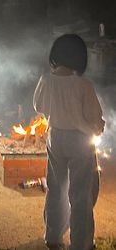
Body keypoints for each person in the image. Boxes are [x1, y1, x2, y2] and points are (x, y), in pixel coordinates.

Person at [34, 34, 105, 250]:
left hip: (56, 137)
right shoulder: (83, 84)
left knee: (56, 188)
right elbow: (95, 118)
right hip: (80, 142)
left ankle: (53, 236)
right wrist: (98, 128)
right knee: (80, 194)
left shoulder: (46, 79)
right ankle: (81, 243)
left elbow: (38, 106)